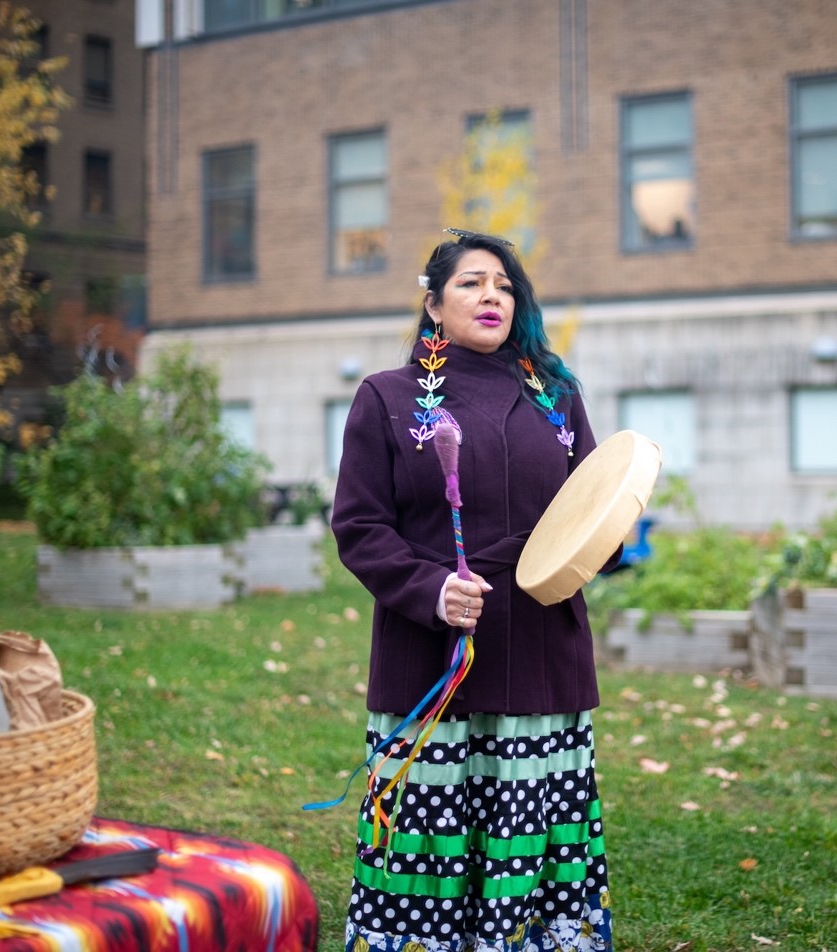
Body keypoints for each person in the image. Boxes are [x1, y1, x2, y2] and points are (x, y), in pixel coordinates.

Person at [330, 229, 615, 952]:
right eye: (470, 283)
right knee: (433, 831)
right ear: (432, 305)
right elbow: (359, 526)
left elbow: (587, 513)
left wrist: (608, 541)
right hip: (434, 658)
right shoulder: (387, 399)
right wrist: (430, 590)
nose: (492, 295)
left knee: (527, 823)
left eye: (504, 286)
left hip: (541, 653)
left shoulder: (557, 399)